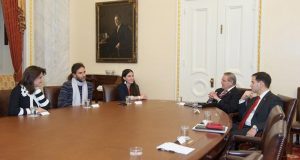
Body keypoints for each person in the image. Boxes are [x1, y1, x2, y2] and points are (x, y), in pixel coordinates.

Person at [231, 72, 283, 137]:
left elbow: (275, 120)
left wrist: (256, 127)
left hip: (255, 130)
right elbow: (242, 116)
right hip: (242, 126)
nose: (250, 85)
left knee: (227, 135)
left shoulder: (274, 100)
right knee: (223, 128)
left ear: (260, 84)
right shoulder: (254, 98)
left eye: (253, 82)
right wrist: (242, 100)